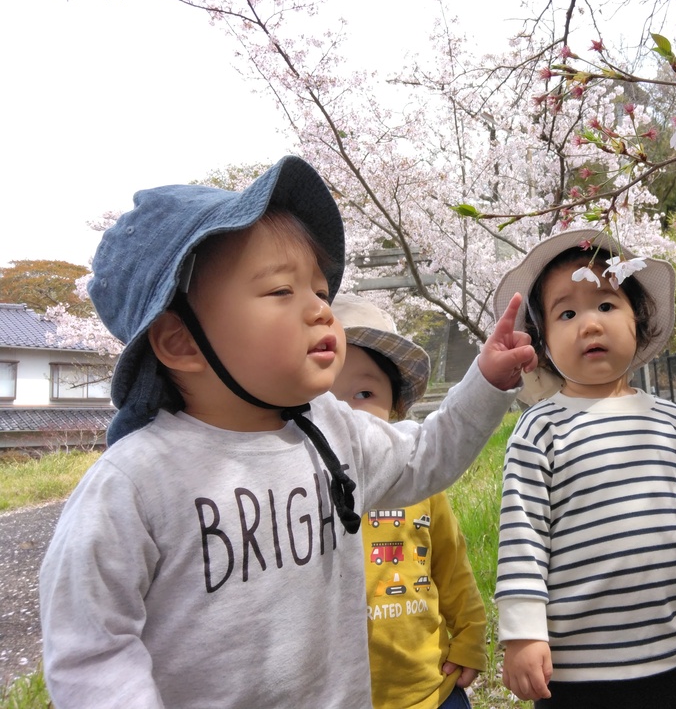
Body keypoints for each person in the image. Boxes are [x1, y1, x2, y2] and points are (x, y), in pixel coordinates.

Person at [38, 155, 537, 709]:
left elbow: (426, 457)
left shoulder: (333, 432)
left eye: (320, 292)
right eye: (281, 291)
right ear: (180, 343)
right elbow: (92, 650)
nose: (321, 312)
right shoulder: (135, 483)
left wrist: (487, 381)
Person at [490, 228, 676, 708]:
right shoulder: (539, 430)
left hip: (675, 654)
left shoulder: (675, 423)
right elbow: (522, 536)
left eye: (607, 305)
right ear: (545, 343)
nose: (589, 324)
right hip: (575, 670)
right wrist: (523, 631)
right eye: (566, 313)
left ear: (640, 321)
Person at [330, 293, 486, 709]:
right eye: (326, 401)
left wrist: (470, 634)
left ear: (396, 407)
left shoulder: (418, 485)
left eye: (364, 394)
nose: (348, 416)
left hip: (431, 689)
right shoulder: (301, 489)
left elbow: (451, 565)